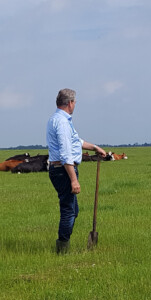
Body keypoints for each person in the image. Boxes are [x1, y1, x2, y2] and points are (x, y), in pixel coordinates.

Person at [46, 88, 106, 254]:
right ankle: (62, 249)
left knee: (73, 210)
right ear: (70, 103)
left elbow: (75, 141)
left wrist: (94, 147)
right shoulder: (63, 122)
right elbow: (66, 153)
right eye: (75, 102)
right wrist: (73, 179)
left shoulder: (57, 119)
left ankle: (63, 245)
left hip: (59, 168)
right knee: (69, 211)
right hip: (63, 169)